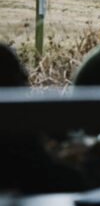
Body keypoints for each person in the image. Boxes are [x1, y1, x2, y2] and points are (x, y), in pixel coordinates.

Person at [0, 43, 87, 193]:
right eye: (16, 69)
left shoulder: (15, 115)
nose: (25, 76)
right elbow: (40, 172)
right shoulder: (12, 120)